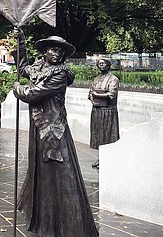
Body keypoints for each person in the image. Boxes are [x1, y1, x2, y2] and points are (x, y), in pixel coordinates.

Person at [12, 28, 98, 237]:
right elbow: (23, 67)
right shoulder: (39, 67)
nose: (56, 54)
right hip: (38, 127)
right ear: (45, 52)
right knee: (42, 172)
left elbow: (34, 94)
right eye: (52, 49)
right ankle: (44, 221)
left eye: (60, 51)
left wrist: (18, 89)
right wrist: (20, 42)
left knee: (60, 171)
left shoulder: (60, 74)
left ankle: (69, 224)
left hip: (52, 129)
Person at [88, 58, 120, 169]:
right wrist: (92, 97)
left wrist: (96, 94)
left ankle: (108, 158)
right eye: (99, 64)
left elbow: (111, 94)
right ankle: (101, 157)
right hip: (97, 110)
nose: (101, 65)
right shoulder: (96, 79)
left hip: (108, 111)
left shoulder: (113, 79)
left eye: (103, 63)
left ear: (108, 65)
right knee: (98, 134)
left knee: (107, 135)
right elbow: (90, 92)